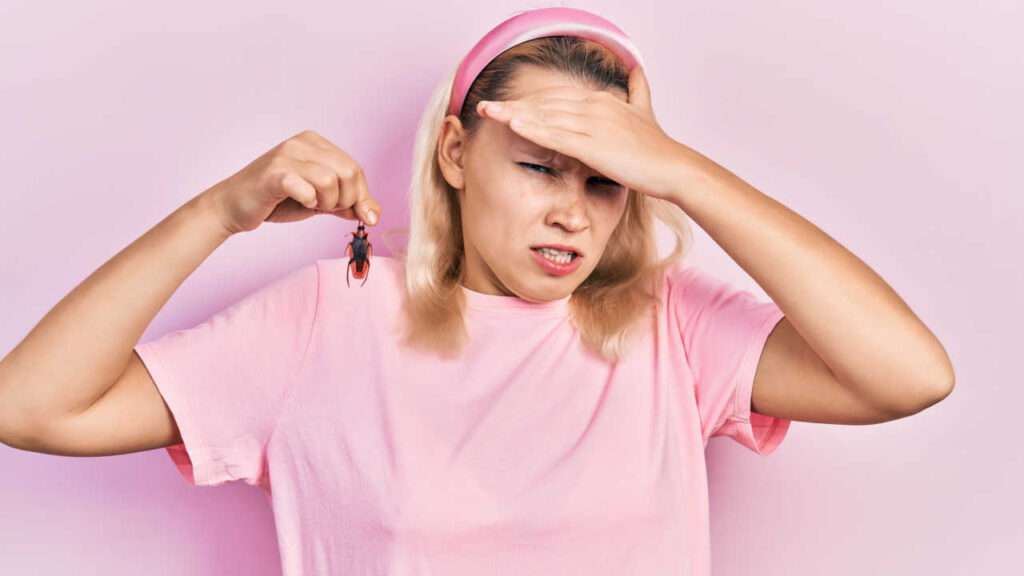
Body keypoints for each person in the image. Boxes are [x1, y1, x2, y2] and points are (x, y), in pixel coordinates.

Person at [0, 7, 954, 576]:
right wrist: (216, 212)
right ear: (456, 153)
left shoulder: (670, 325)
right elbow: (31, 407)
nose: (572, 213)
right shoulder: (329, 317)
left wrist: (682, 171)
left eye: (605, 181)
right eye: (540, 166)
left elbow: (910, 376)